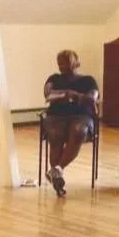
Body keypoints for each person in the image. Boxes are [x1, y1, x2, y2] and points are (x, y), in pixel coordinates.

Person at [42, 50, 100, 197]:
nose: (62, 66)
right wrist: (65, 93)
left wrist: (74, 95)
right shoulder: (53, 78)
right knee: (55, 134)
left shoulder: (88, 80)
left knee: (78, 130)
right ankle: (57, 177)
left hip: (81, 116)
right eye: (60, 63)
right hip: (57, 116)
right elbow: (48, 94)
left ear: (75, 63)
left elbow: (92, 97)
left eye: (66, 62)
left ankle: (57, 169)